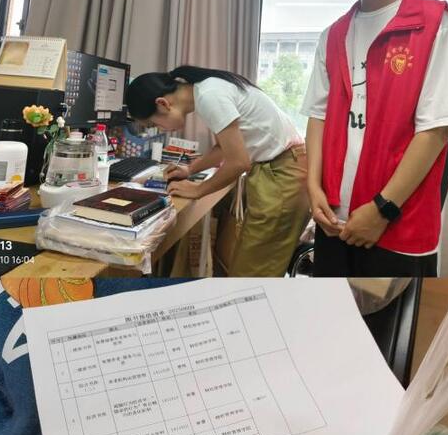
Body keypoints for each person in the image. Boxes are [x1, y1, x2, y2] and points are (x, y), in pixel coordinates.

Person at [302, 0, 448, 277]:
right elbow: (318, 115)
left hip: (396, 220)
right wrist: (313, 189)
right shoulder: (333, 35)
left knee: (393, 313)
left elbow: (436, 128)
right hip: (334, 217)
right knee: (333, 307)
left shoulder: (431, 22)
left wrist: (383, 209)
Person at [125, 66, 310, 277]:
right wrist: (189, 169)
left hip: (282, 175)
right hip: (280, 171)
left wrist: (198, 190)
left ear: (163, 103)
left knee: (251, 274)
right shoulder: (207, 89)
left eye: (153, 123)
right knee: (252, 266)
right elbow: (223, 148)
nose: (159, 129)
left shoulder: (209, 96)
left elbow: (238, 163)